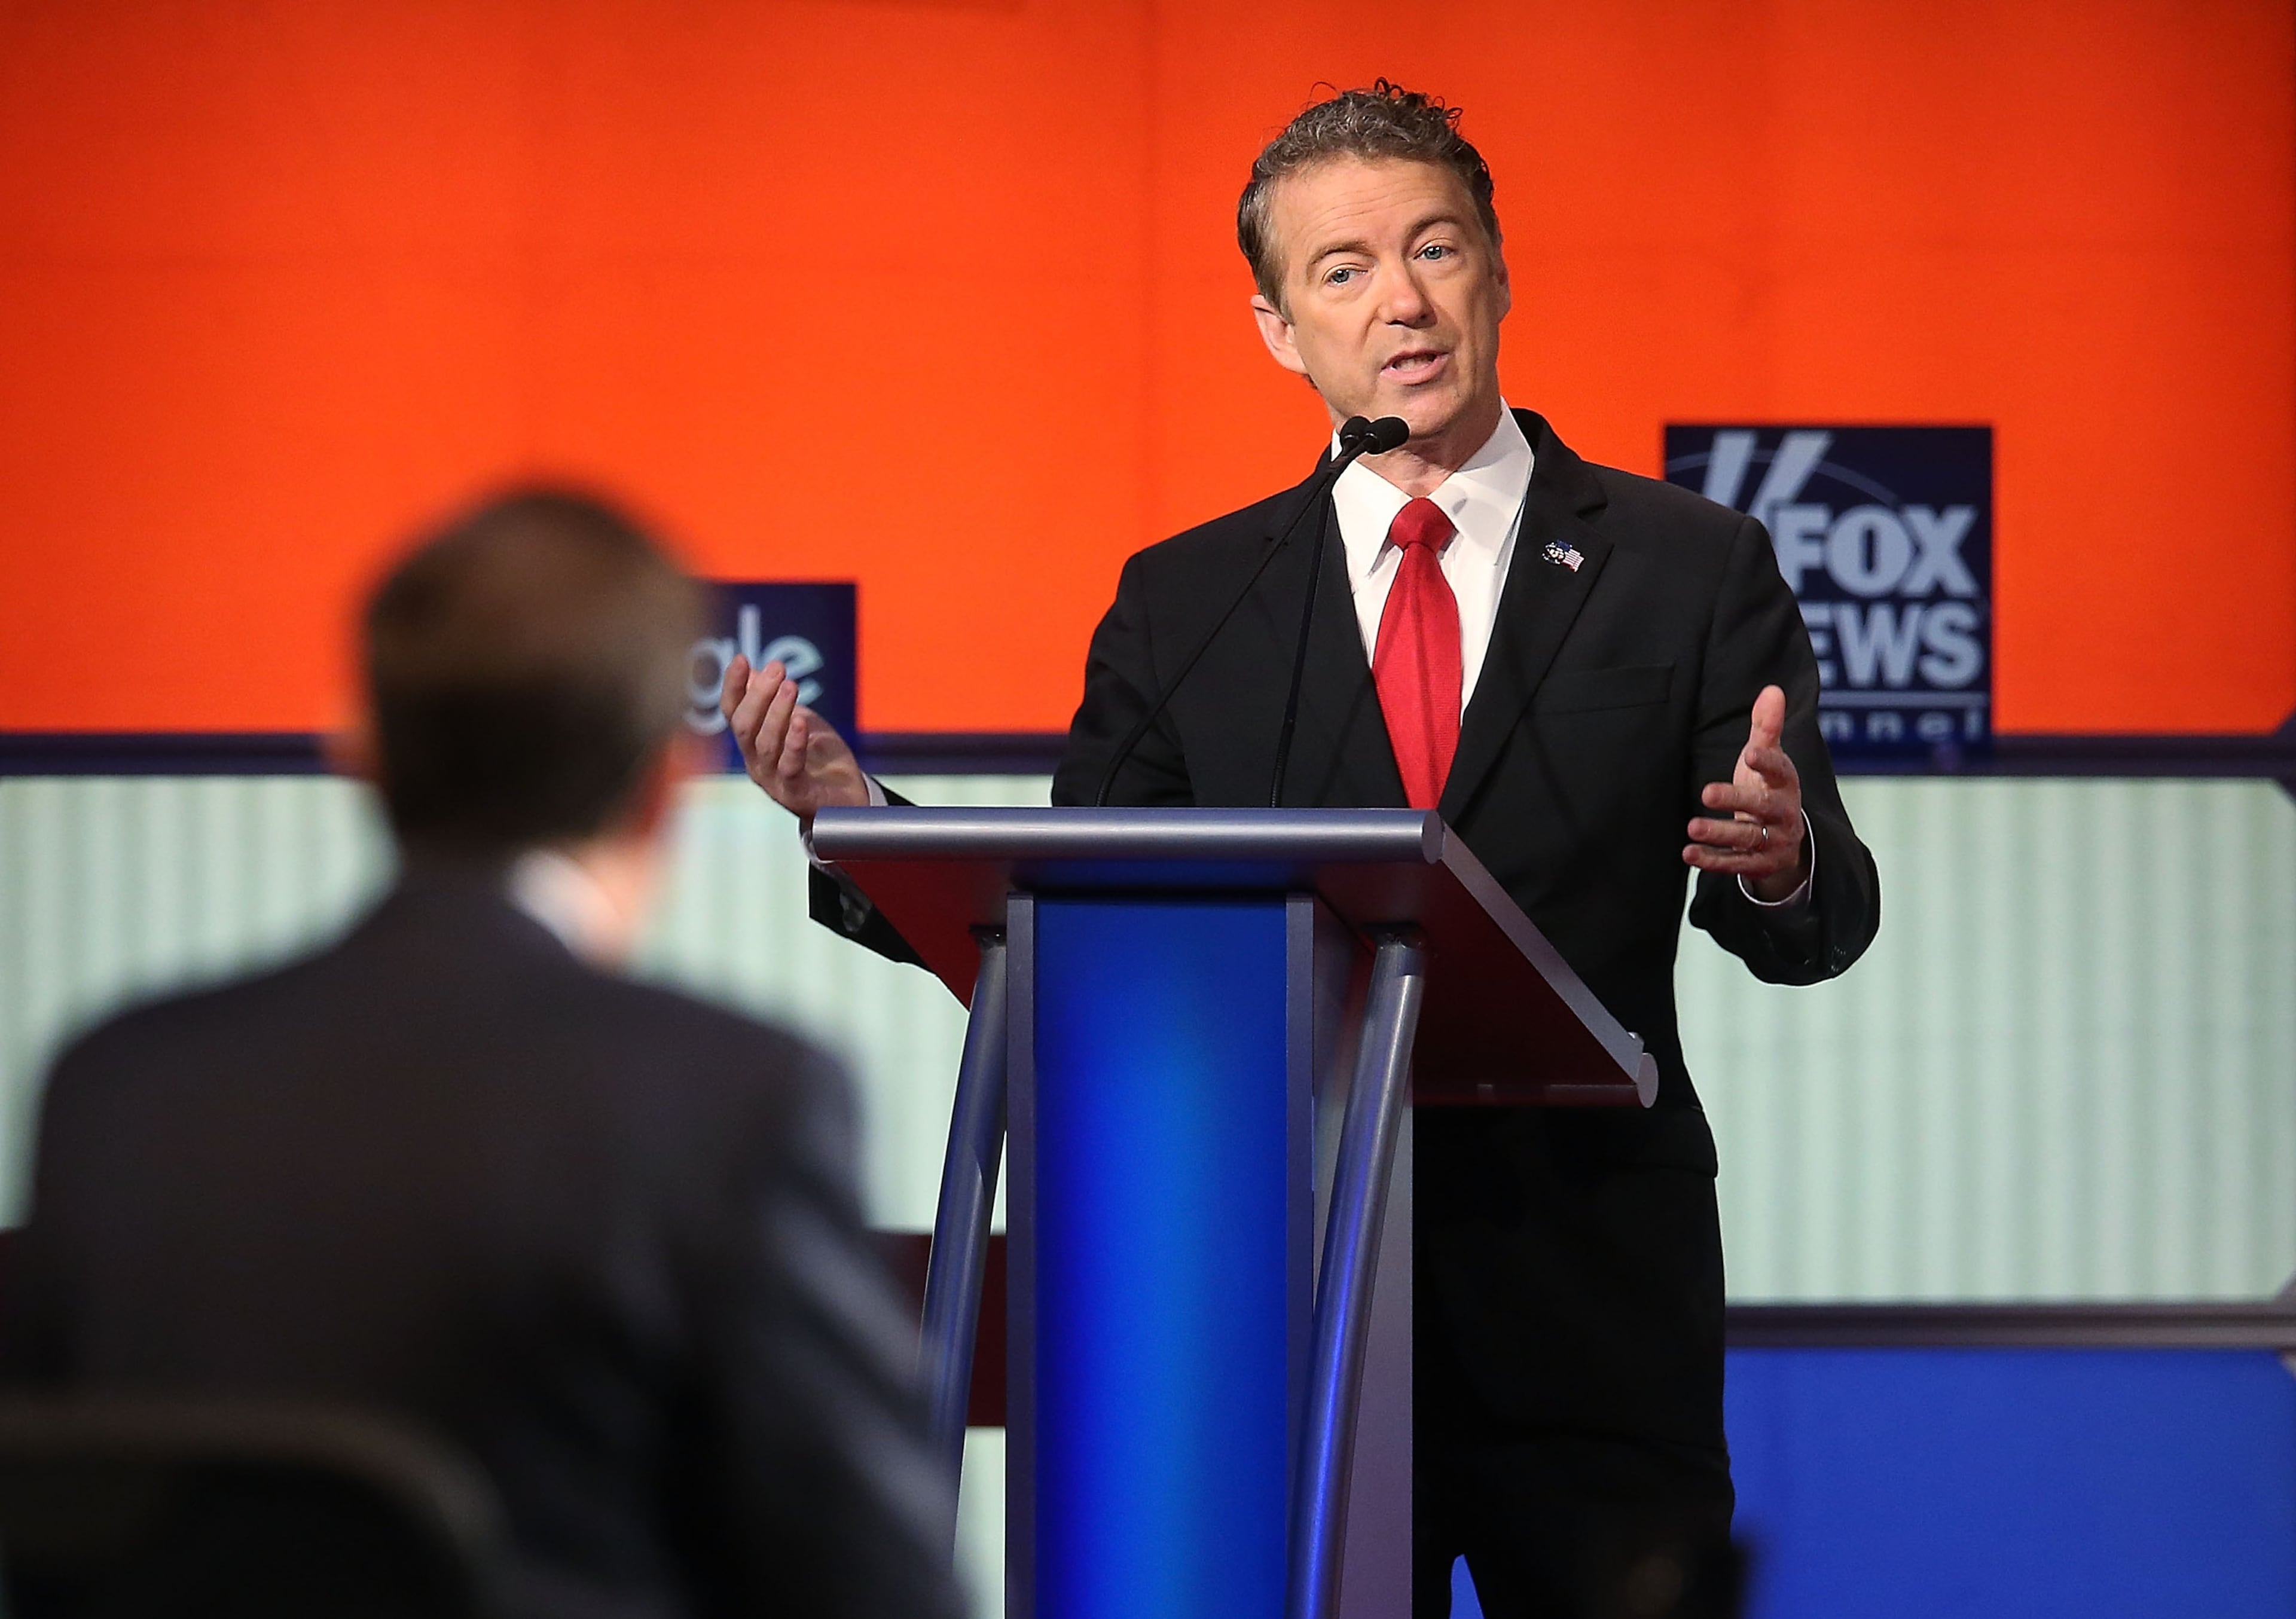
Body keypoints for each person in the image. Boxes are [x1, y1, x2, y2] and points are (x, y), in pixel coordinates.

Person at [722, 83, 1880, 1617]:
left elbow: (1819, 920)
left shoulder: (1684, 563)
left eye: (1435, 249)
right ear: (1280, 328)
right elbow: (1079, 915)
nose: (1403, 300)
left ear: (1498, 272)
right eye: (1344, 269)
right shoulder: (1192, 600)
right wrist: (863, 825)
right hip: (1282, 1296)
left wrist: (1779, 858)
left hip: (1591, 1302)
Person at [4, 491, 967, 1619]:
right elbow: (881, 1590)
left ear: (363, 756)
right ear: (662, 789)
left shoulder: (113, 1091)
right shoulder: (734, 1104)